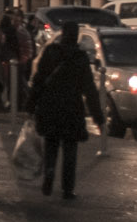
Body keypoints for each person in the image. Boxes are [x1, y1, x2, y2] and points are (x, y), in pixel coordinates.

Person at [27, 20, 103, 199]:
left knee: (51, 144)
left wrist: (30, 105)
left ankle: (50, 171)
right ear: (76, 35)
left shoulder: (50, 52)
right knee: (70, 149)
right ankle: (68, 189)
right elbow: (89, 89)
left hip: (50, 106)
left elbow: (38, 80)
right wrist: (98, 116)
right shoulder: (80, 58)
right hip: (72, 107)